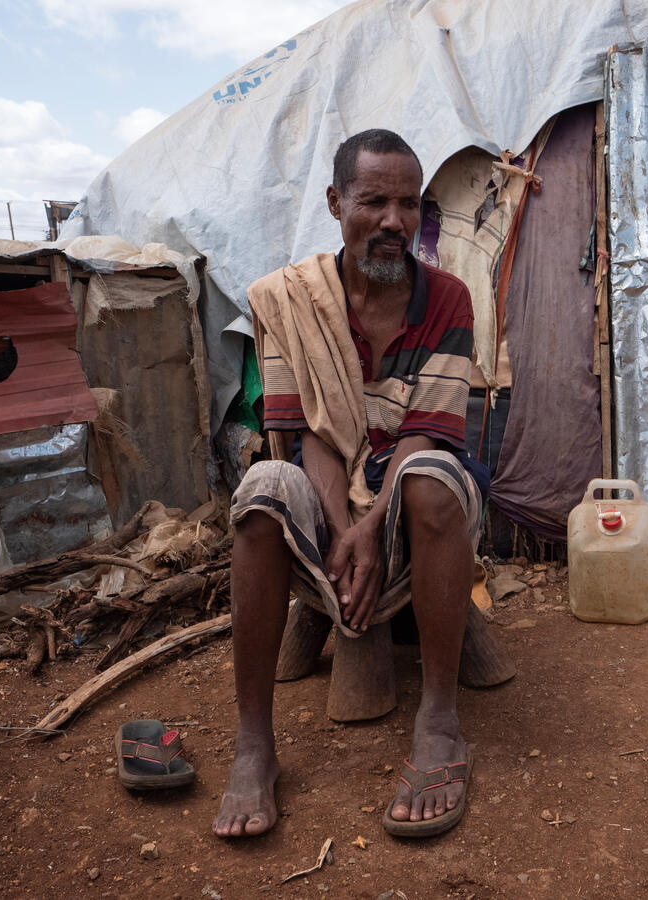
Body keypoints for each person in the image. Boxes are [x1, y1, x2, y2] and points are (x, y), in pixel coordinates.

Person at [212, 129, 485, 840]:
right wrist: (340, 529)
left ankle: (440, 723)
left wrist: (369, 528)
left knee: (428, 475)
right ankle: (253, 746)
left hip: (414, 501)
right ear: (336, 203)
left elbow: (427, 432)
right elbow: (309, 436)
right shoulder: (289, 301)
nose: (394, 222)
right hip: (329, 494)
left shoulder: (448, 299)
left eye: (409, 204)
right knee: (264, 488)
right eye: (374, 202)